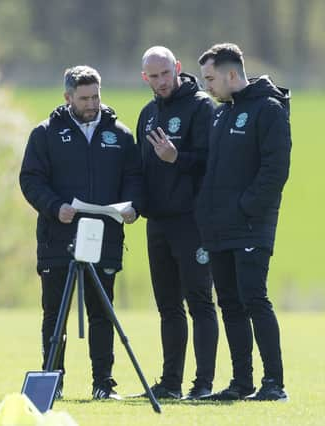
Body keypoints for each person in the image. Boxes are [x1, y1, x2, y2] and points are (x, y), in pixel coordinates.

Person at [19, 65, 142, 400]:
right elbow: (30, 180)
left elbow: (134, 178)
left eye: (96, 96)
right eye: (84, 97)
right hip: (57, 237)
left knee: (103, 313)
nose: (92, 103)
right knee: (55, 315)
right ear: (68, 97)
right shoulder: (44, 134)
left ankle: (103, 384)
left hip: (104, 237)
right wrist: (54, 206)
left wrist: (132, 206)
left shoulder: (120, 134)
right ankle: (52, 383)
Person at [197, 43, 291, 401]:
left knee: (254, 299)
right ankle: (241, 383)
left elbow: (275, 170)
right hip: (219, 228)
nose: (207, 85)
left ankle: (274, 384)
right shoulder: (221, 115)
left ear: (231, 74)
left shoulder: (269, 109)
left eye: (211, 78)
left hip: (251, 225)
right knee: (230, 305)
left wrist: (246, 208)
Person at [135, 46, 218, 400]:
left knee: (199, 302)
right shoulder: (147, 113)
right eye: (153, 76)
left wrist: (176, 157)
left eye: (165, 73)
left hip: (193, 222)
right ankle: (170, 384)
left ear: (178, 69)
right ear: (145, 78)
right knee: (167, 307)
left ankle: (203, 385)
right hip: (158, 224)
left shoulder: (201, 107)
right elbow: (139, 170)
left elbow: (212, 163)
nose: (160, 82)